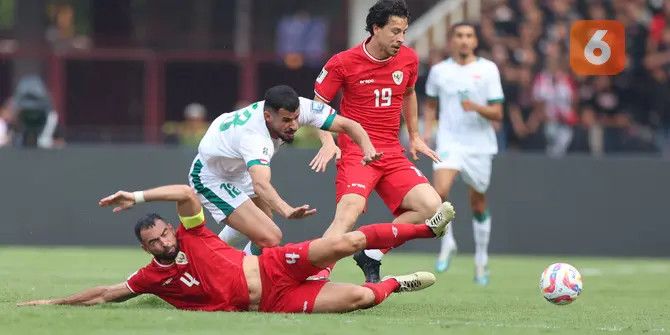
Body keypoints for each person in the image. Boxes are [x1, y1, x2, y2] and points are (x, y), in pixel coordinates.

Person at [17, 184, 455, 313]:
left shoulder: (193, 234)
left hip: (273, 266)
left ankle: (427, 232)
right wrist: (50, 302)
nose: (163, 244)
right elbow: (104, 293)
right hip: (273, 302)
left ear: (171, 230)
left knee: (348, 240)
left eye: (164, 235)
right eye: (153, 244)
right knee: (359, 297)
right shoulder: (153, 277)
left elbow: (187, 193)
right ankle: (395, 284)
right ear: (147, 250)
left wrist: (138, 196)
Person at [311, 0, 444, 283]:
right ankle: (315, 276)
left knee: (432, 207)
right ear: (376, 29)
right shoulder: (343, 62)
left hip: (392, 152)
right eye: (395, 31)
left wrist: (415, 135)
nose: (401, 39)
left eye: (404, 32)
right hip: (357, 152)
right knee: (348, 213)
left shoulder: (408, 58)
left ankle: (371, 252)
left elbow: (409, 93)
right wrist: (327, 141)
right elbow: (317, 105)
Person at [189, 85, 381, 255]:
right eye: (287, 120)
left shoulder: (298, 107)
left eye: (296, 118)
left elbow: (349, 124)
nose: (295, 125)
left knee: (263, 227)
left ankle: (224, 265)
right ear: (267, 116)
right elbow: (261, 184)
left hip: (238, 167)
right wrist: (287, 210)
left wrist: (368, 148)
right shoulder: (254, 137)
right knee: (269, 236)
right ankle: (215, 264)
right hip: (211, 176)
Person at [422, 23, 504, 286]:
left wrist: (476, 107)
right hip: (449, 141)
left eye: (469, 35)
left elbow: (498, 113)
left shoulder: (488, 69)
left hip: (479, 145)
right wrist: (426, 132)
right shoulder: (439, 71)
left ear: (476, 40)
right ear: (451, 41)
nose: (464, 40)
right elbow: (431, 104)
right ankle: (448, 243)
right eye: (459, 36)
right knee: (439, 194)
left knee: (478, 201)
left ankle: (481, 259)